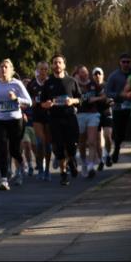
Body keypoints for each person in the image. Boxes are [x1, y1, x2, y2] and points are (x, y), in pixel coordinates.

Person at [0, 59, 32, 190]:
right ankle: (4, 179)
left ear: (11, 70)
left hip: (15, 120)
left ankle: (22, 165)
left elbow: (29, 102)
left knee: (14, 150)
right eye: (1, 67)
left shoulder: (17, 84)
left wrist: (16, 98)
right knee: (2, 149)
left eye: (6, 67)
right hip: (0, 120)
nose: (3, 69)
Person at [40, 54, 83, 186]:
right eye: (54, 62)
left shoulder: (71, 81)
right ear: (52, 66)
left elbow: (80, 99)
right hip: (55, 119)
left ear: (64, 65)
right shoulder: (48, 83)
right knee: (58, 147)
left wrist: (72, 101)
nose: (57, 65)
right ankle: (63, 174)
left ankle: (72, 161)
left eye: (59, 62)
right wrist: (46, 104)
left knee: (71, 145)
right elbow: (42, 102)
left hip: (70, 117)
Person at [105, 53, 131, 169]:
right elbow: (108, 92)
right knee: (119, 134)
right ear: (120, 63)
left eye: (128, 62)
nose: (125, 64)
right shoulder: (114, 76)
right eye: (123, 62)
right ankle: (116, 150)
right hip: (119, 108)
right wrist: (119, 95)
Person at [74, 64, 104, 178]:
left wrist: (94, 98)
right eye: (82, 72)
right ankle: (84, 162)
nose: (84, 74)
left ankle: (91, 166)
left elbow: (103, 96)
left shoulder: (93, 84)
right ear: (78, 74)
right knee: (81, 143)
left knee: (92, 141)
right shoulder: (75, 84)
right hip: (80, 114)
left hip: (93, 114)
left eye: (86, 72)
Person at [26, 61, 52, 181]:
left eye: (46, 69)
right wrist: (33, 101)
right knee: (40, 142)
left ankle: (47, 169)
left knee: (48, 144)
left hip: (50, 115)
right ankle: (40, 168)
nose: (43, 72)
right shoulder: (32, 84)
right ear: (37, 70)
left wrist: (51, 103)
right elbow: (26, 99)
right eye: (41, 69)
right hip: (37, 116)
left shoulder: (51, 82)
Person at [93, 67, 114, 168]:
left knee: (107, 136)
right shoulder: (91, 87)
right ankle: (101, 160)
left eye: (99, 74)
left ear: (103, 75)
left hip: (106, 112)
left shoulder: (107, 86)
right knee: (97, 139)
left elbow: (113, 97)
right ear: (93, 76)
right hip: (95, 114)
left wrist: (112, 100)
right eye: (95, 74)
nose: (97, 76)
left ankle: (107, 155)